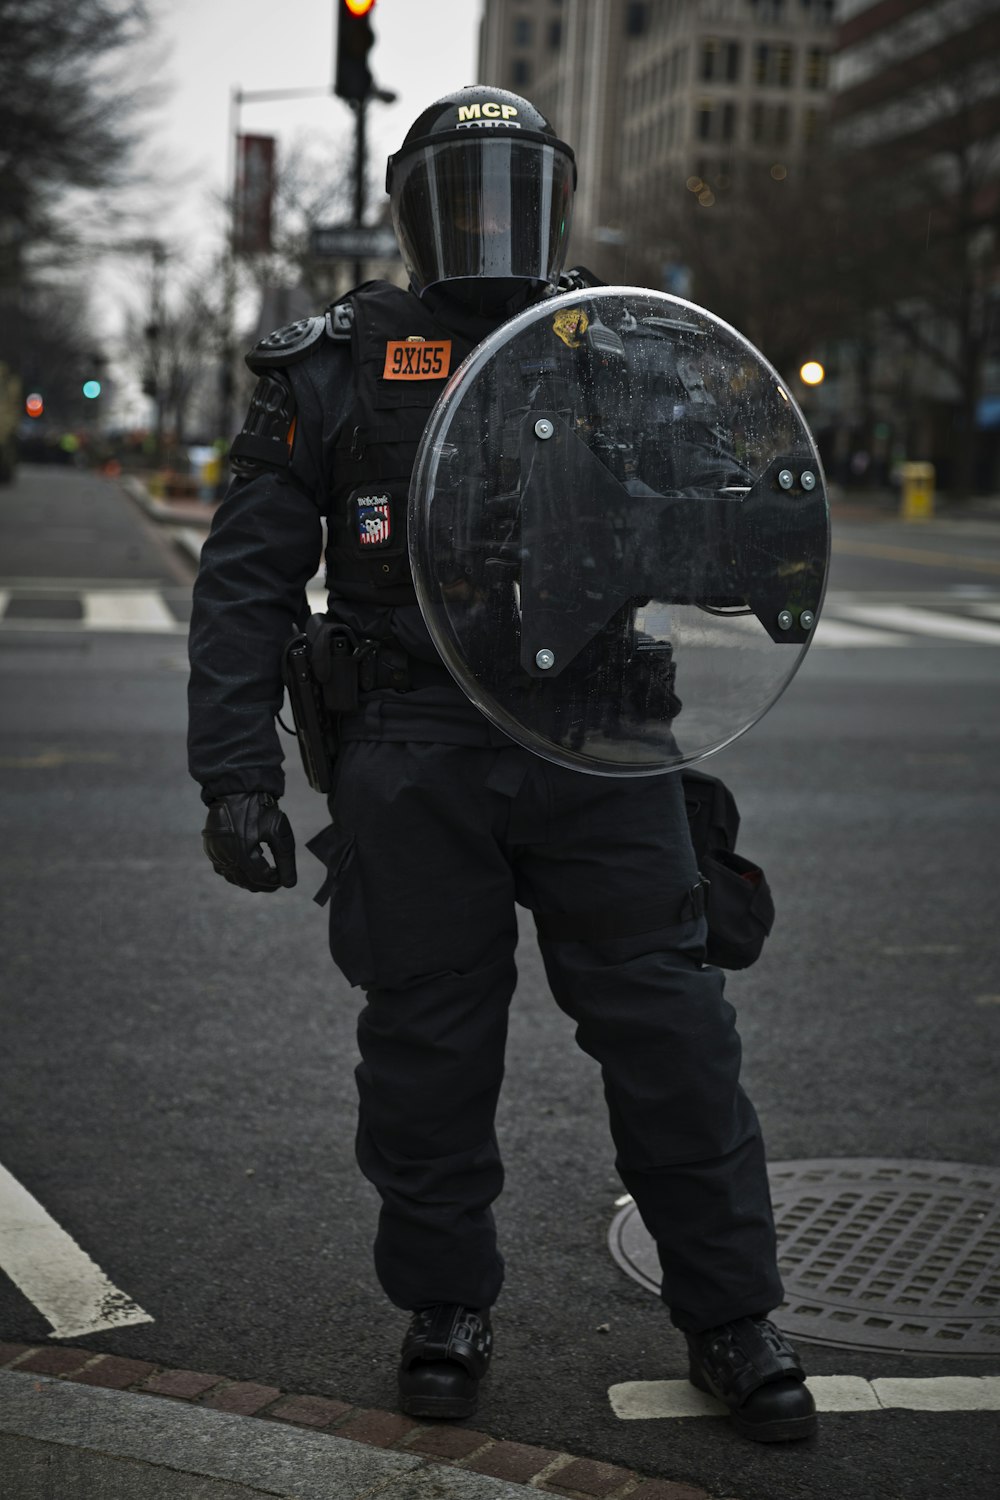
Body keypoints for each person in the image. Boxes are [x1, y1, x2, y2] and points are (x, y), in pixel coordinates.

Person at [188, 85, 817, 1444]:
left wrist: (749, 548)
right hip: (414, 749)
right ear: (417, 207)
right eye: (461, 190)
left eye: (512, 187)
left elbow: (724, 522)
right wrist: (231, 771)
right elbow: (244, 583)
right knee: (425, 1047)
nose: (488, 219)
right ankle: (444, 1309)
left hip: (601, 740)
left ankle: (732, 1317)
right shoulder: (338, 362)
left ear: (556, 194)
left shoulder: (624, 350)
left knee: (675, 1040)